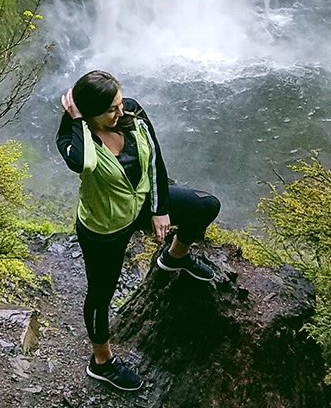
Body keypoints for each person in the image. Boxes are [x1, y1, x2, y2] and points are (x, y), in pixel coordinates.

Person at [57, 69, 221, 392]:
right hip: (105, 227)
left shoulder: (130, 111)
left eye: (120, 102)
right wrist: (77, 119)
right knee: (101, 294)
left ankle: (175, 256)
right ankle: (101, 361)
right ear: (88, 113)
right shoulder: (77, 139)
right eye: (111, 110)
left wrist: (160, 210)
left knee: (206, 206)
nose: (121, 112)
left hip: (143, 204)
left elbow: (155, 158)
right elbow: (82, 163)